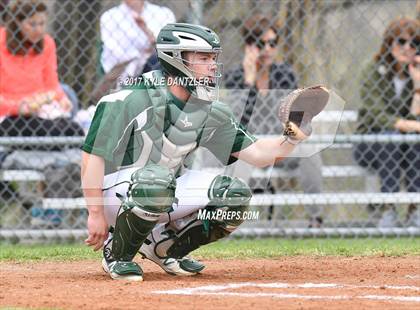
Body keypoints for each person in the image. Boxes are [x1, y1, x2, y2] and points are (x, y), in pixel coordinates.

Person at [81, 23, 323, 281]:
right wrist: (95, 213)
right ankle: (117, 254)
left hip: (159, 190)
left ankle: (164, 248)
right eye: (204, 58)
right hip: (111, 198)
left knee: (233, 195)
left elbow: (259, 155)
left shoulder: (209, 110)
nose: (212, 66)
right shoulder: (130, 99)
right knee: (156, 180)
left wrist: (292, 137)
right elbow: (91, 158)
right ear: (176, 59)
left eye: (213, 58)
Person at [224, 15, 324, 227]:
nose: (268, 48)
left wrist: (292, 131)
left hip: (280, 142)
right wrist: (249, 81)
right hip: (250, 144)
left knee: (311, 152)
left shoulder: (284, 74)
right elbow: (236, 119)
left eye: (273, 43)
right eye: (262, 43)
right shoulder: (235, 76)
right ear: (249, 46)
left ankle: (316, 219)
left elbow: (294, 111)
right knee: (236, 161)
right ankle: (238, 225)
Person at [0, 0, 85, 227]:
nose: (39, 29)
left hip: (42, 112)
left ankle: (53, 194)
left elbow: (52, 86)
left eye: (42, 23)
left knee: (73, 128)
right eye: (32, 24)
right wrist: (18, 106)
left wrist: (62, 99)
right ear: (16, 23)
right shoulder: (1, 42)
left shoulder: (46, 44)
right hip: (11, 114)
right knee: (46, 129)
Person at [353, 17, 420, 227]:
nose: (407, 48)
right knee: (388, 137)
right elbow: (378, 116)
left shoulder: (415, 74)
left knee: (414, 141)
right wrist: (412, 126)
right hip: (370, 142)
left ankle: (414, 209)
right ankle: (388, 208)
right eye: (401, 41)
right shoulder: (373, 70)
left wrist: (418, 87)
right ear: (389, 43)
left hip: (406, 143)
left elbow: (412, 120)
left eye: (414, 43)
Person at [99, 0, 175, 85]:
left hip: (154, 67)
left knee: (158, 61)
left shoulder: (164, 14)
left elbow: (169, 49)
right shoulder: (109, 17)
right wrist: (146, 50)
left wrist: (147, 32)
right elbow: (115, 54)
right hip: (124, 73)